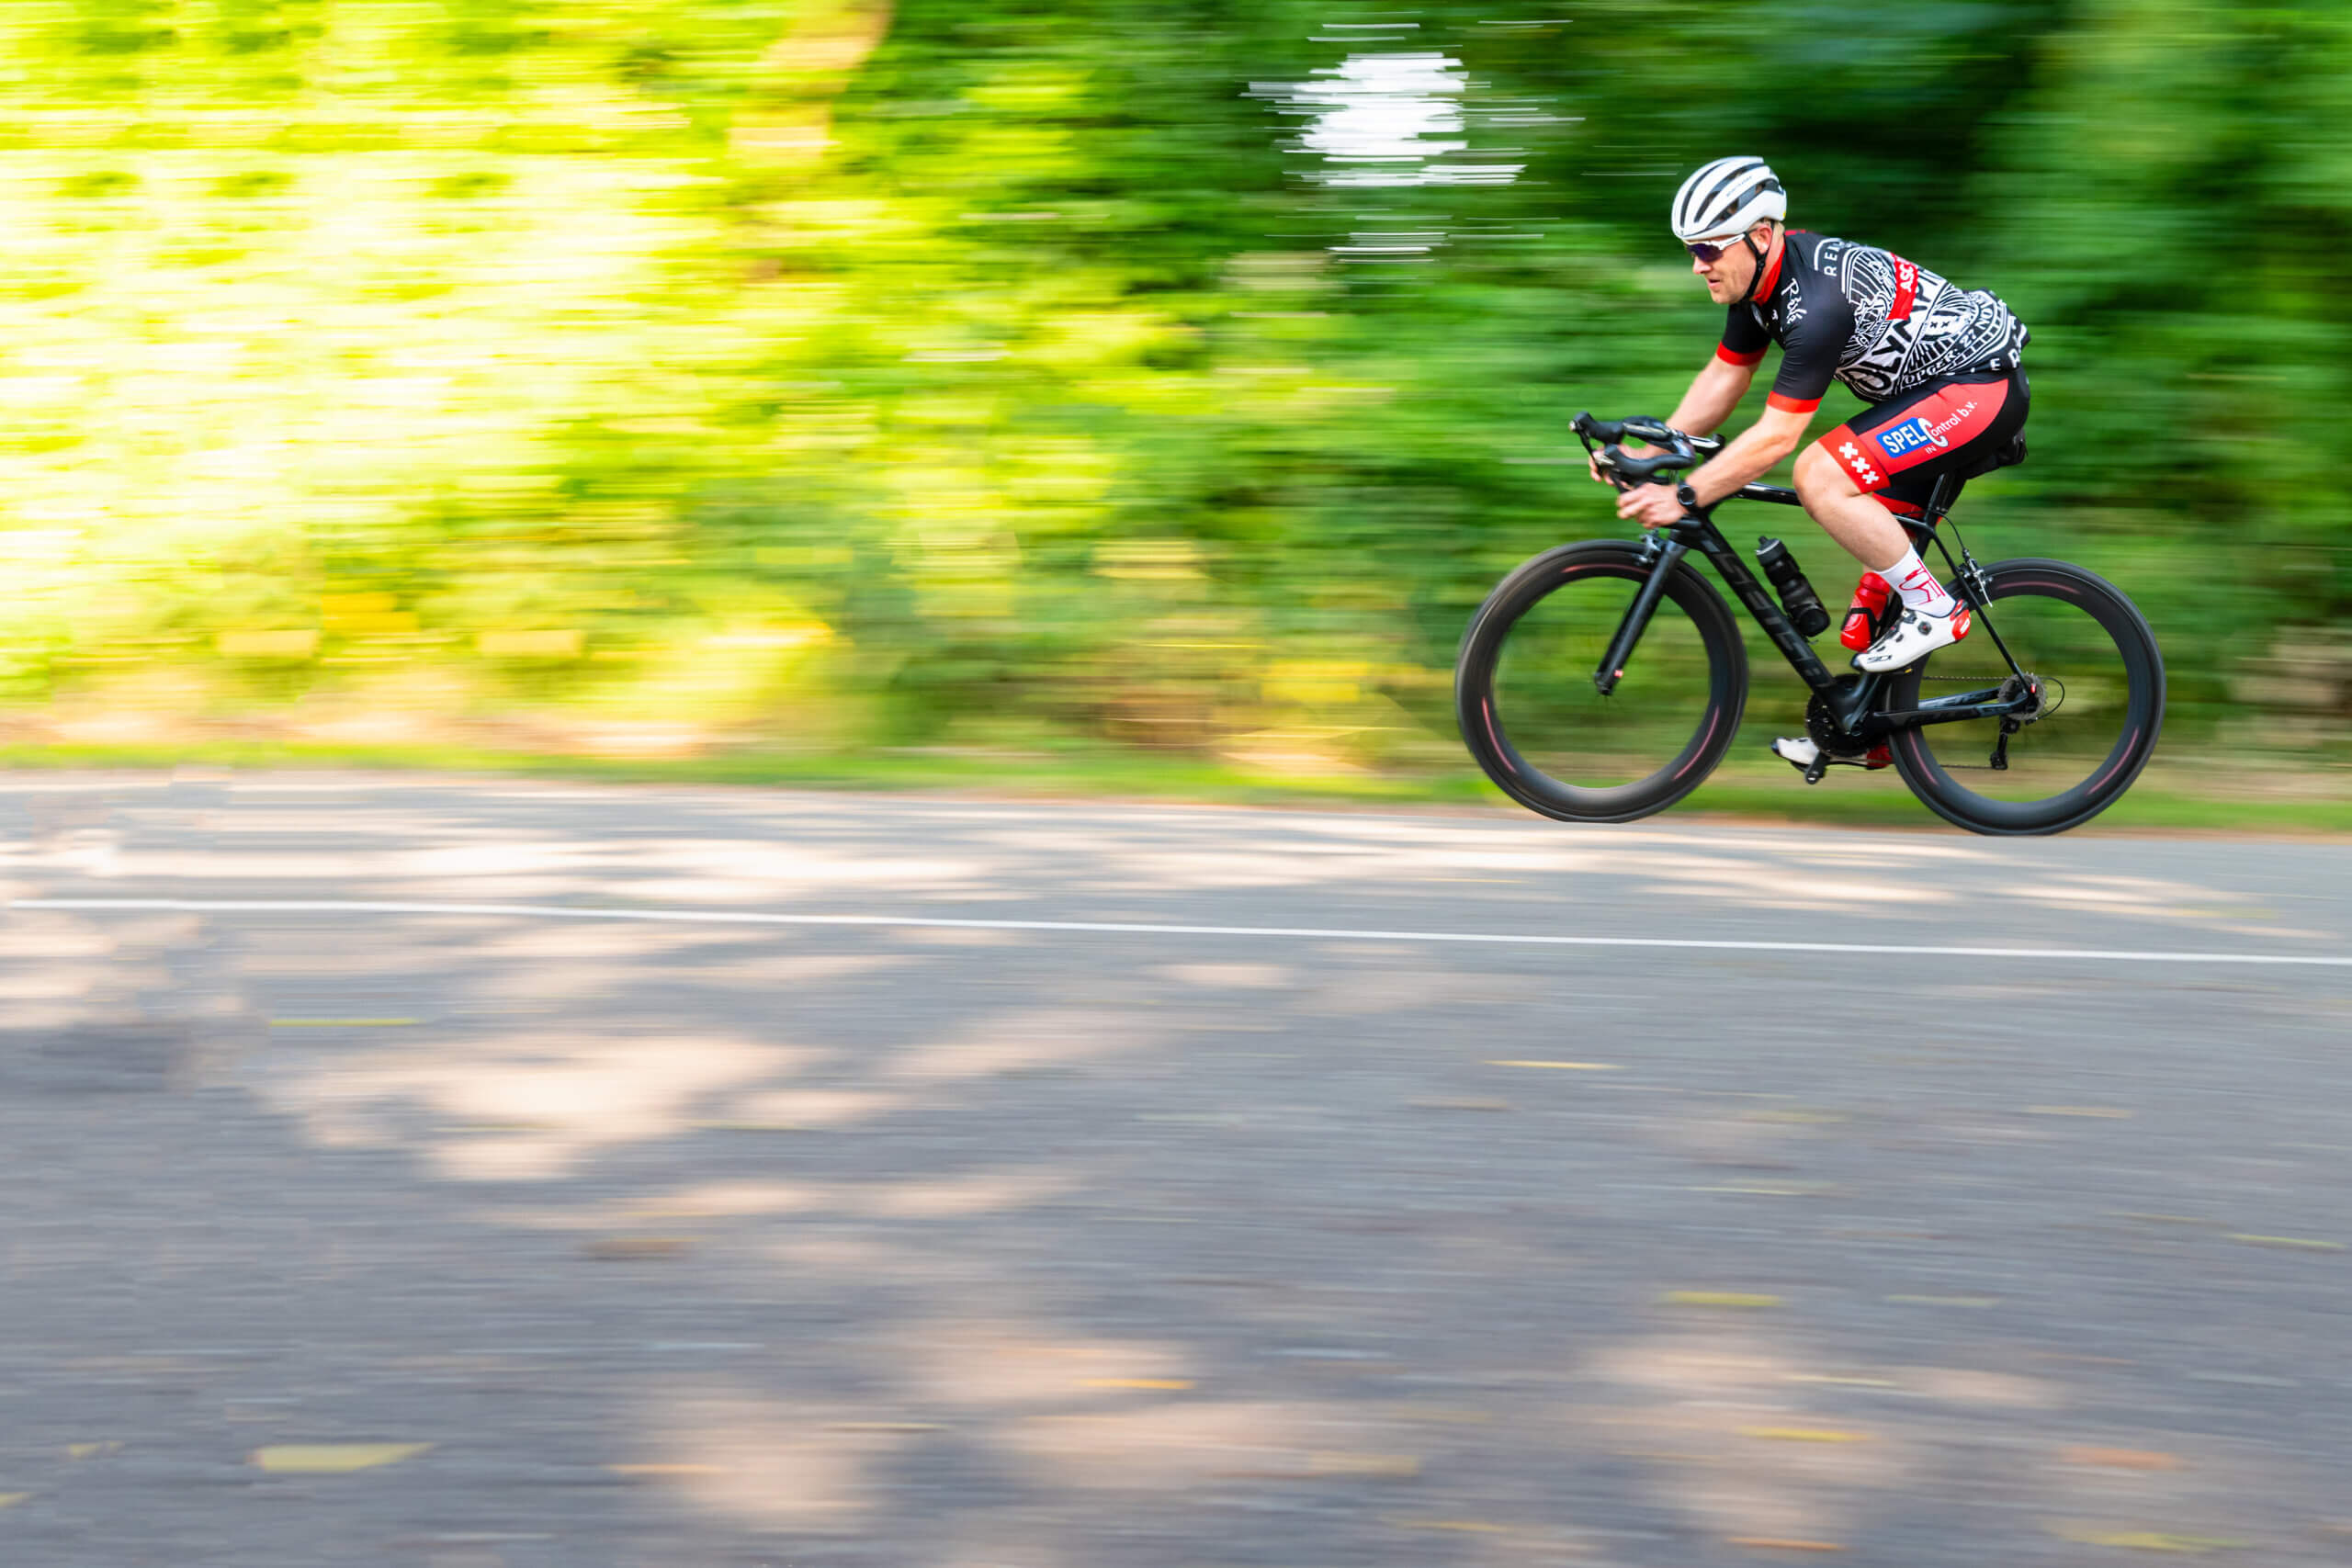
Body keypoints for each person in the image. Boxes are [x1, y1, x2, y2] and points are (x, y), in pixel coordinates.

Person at [1594, 156, 2030, 772]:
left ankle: (1940, 610)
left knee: (1819, 474)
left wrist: (1685, 495)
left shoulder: (1817, 299)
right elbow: (1726, 377)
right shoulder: (1758, 287)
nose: (1698, 264)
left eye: (1709, 249)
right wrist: (1651, 451)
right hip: (1928, 398)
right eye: (1691, 249)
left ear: (1763, 234)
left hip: (1979, 388)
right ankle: (1865, 732)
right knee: (1868, 613)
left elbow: (1776, 437)